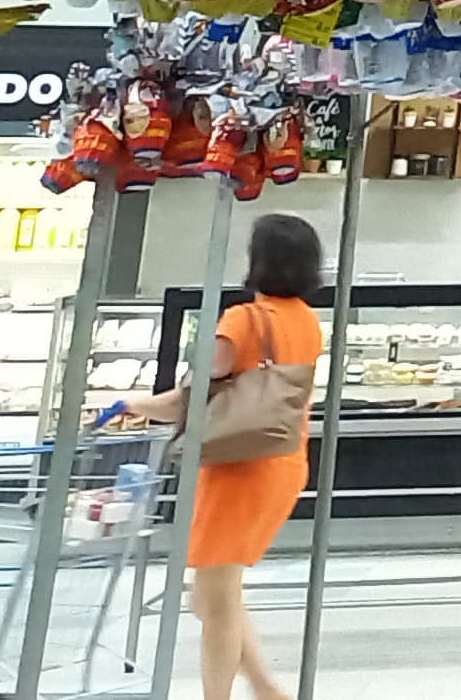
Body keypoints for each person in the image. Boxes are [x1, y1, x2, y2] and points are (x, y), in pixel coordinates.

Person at [120, 214, 324, 700]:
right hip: (283, 460)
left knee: (214, 600)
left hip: (238, 466)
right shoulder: (305, 320)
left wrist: (128, 405)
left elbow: (191, 398)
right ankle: (266, 689)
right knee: (217, 592)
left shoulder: (243, 320)